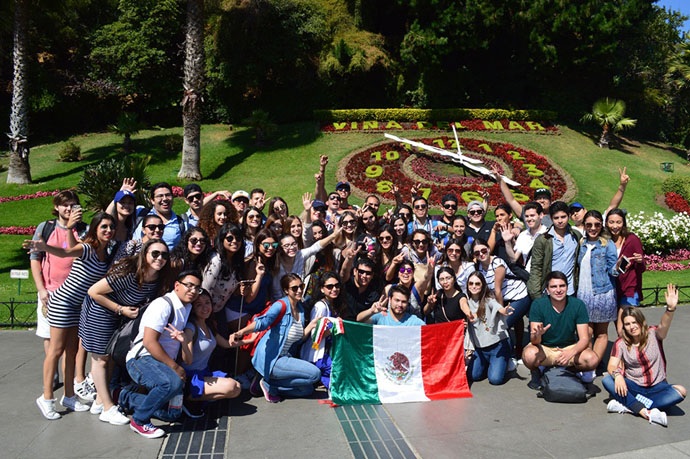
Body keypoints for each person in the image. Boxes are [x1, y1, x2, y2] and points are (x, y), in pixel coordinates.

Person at [28, 213, 116, 420]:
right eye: (103, 227)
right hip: (62, 303)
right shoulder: (87, 248)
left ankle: (69, 396)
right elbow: (66, 251)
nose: (108, 231)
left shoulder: (106, 252)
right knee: (56, 350)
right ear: (94, 229)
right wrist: (46, 247)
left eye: (111, 227)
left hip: (78, 306)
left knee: (72, 350)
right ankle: (47, 397)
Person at [80, 239, 171, 425]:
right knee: (100, 358)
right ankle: (107, 407)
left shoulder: (157, 278)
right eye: (155, 253)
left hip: (118, 314)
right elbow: (94, 291)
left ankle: (99, 401)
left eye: (164, 255)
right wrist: (120, 309)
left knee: (111, 356)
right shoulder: (129, 273)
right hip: (100, 309)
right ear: (145, 254)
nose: (159, 258)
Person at [118, 270, 202, 438]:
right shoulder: (163, 305)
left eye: (197, 288)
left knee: (173, 414)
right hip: (141, 359)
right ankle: (140, 421)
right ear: (177, 285)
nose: (193, 291)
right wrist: (175, 367)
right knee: (170, 384)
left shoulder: (186, 307)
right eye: (189, 285)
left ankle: (127, 397)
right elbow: (150, 342)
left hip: (160, 363)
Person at [602, 284, 686, 427]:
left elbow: (664, 325)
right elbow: (612, 365)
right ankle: (646, 412)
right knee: (607, 381)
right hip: (634, 386)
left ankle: (629, 405)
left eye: (634, 322)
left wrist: (670, 309)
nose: (631, 327)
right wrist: (618, 376)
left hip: (657, 387)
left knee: (681, 391)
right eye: (627, 324)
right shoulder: (620, 343)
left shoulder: (654, 334)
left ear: (641, 322)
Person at [230, 274, 321, 403]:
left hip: (286, 357)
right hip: (273, 359)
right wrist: (239, 333)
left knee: (307, 389)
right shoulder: (281, 305)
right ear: (286, 290)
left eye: (301, 286)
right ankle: (269, 380)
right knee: (315, 374)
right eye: (294, 288)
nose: (299, 290)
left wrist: (311, 325)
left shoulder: (300, 309)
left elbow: (298, 339)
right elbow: (262, 322)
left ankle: (271, 386)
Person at [30, 190, 87, 391]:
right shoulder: (46, 228)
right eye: (64, 204)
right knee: (50, 337)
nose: (69, 208)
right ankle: (52, 375)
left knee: (72, 341)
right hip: (51, 291)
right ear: (56, 207)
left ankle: (71, 381)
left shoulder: (82, 230)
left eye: (73, 204)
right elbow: (35, 259)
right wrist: (41, 289)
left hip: (75, 294)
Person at [522, 271, 598, 390]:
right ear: (547, 289)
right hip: (545, 348)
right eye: (553, 286)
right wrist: (537, 335)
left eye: (562, 286)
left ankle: (571, 370)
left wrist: (570, 353)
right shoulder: (538, 304)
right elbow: (535, 341)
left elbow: (584, 339)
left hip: (568, 348)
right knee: (529, 355)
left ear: (567, 287)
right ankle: (537, 371)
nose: (558, 290)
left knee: (592, 359)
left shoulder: (578, 304)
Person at [176, 289, 241, 417]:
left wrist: (251, 338)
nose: (205, 307)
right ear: (193, 309)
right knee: (232, 386)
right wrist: (184, 341)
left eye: (207, 303)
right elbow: (186, 359)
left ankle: (197, 399)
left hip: (203, 373)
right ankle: (184, 399)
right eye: (199, 304)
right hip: (189, 378)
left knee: (236, 388)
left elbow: (227, 344)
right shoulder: (191, 327)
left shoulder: (208, 324)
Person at [576, 210, 619, 381]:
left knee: (601, 333)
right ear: (584, 226)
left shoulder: (607, 244)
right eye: (589, 225)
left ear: (601, 225)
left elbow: (612, 268)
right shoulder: (581, 242)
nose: (593, 228)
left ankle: (592, 367)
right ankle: (588, 362)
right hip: (583, 293)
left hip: (603, 293)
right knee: (586, 332)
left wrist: (619, 268)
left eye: (597, 225)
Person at [463, 272, 514, 385]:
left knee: (495, 380)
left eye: (477, 283)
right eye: (471, 283)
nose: (474, 286)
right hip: (480, 349)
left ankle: (505, 361)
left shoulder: (488, 299)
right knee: (473, 376)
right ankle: (489, 364)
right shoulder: (466, 301)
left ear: (483, 286)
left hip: (497, 347)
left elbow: (497, 307)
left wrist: (504, 311)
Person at [300, 272, 348, 388]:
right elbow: (314, 335)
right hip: (316, 355)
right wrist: (335, 327)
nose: (334, 289)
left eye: (337, 286)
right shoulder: (320, 307)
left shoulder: (333, 304)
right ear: (322, 289)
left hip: (327, 352)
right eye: (329, 287)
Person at [527, 201, 581, 300]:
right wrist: (536, 295)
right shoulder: (543, 240)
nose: (560, 221)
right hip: (550, 292)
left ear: (569, 216)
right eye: (556, 218)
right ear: (551, 218)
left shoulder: (576, 236)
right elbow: (536, 268)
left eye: (563, 217)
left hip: (571, 291)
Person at [606, 208, 645, 336]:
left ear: (624, 223)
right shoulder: (605, 240)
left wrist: (640, 261)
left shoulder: (632, 239)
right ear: (606, 223)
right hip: (612, 288)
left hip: (629, 289)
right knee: (621, 330)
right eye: (611, 222)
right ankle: (624, 354)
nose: (615, 226)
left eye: (618, 222)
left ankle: (634, 354)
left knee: (624, 328)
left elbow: (642, 268)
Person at [202, 223, 244, 333]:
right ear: (222, 240)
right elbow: (205, 291)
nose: (234, 241)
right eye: (229, 238)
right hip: (206, 313)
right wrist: (209, 318)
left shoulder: (236, 261)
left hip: (220, 310)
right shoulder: (216, 261)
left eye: (238, 238)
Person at [133, 182, 186, 250]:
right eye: (160, 196)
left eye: (168, 195)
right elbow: (118, 214)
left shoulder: (181, 223)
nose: (164, 199)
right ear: (152, 200)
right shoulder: (140, 213)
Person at [357, 284, 425, 326]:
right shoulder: (381, 316)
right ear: (390, 299)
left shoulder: (413, 321)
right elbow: (359, 320)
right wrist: (371, 311)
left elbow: (429, 331)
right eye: (397, 300)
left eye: (404, 302)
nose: (400, 304)